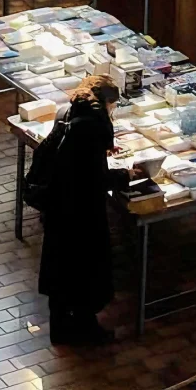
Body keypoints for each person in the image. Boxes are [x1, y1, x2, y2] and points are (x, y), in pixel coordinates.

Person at [38, 75, 129, 346]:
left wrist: (101, 153)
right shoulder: (94, 127)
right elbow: (94, 179)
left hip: (57, 208)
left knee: (60, 271)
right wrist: (125, 175)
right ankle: (87, 330)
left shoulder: (68, 113)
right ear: (107, 103)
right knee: (85, 272)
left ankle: (60, 329)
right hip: (82, 213)